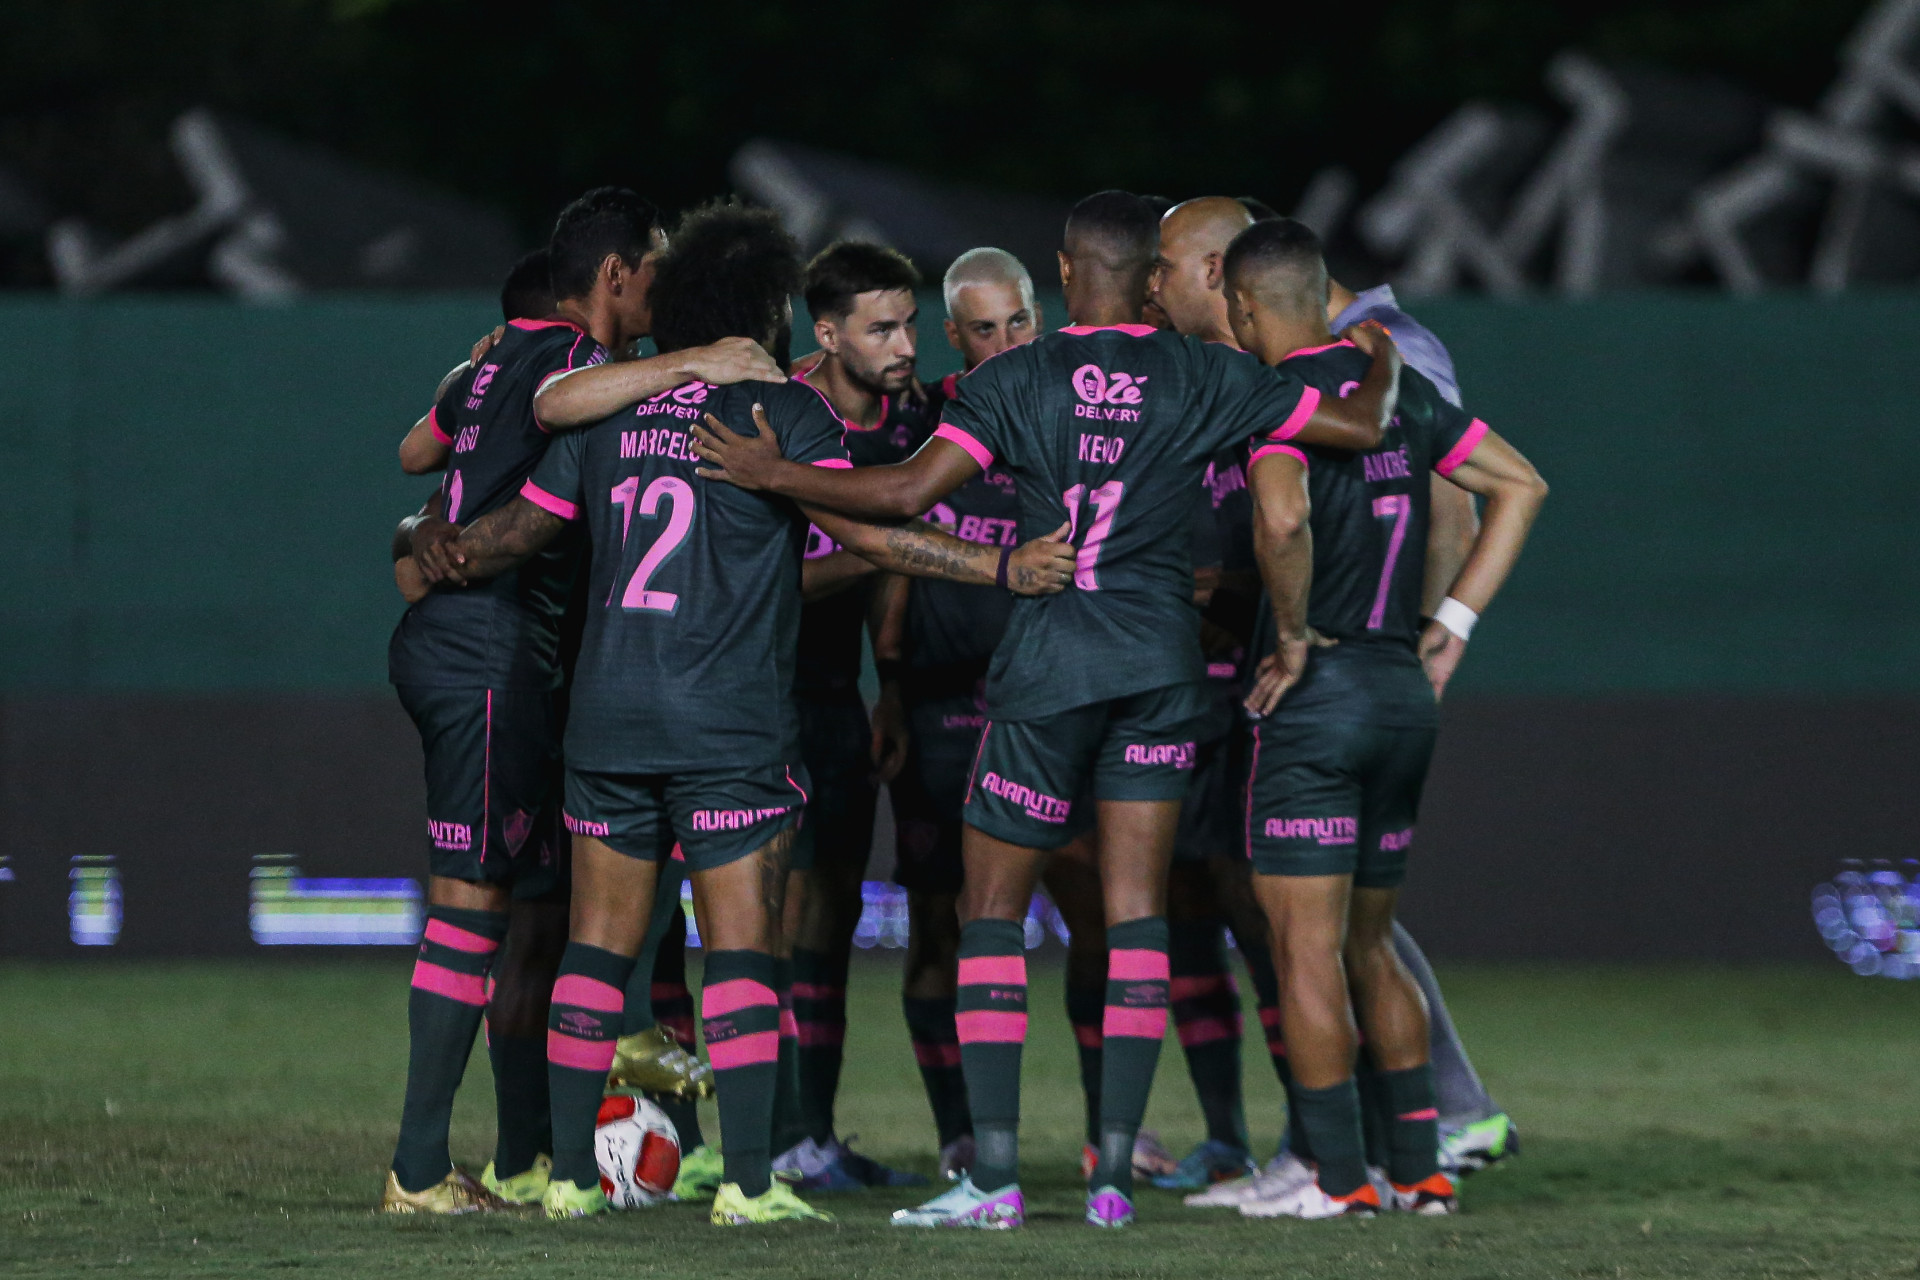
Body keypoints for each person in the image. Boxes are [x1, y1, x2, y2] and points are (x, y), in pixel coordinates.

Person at [687, 188, 1402, 1229]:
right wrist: (1373, 352)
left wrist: (771, 470)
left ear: (1065, 275)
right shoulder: (1212, 371)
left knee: (988, 913)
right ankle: (1112, 1176)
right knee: (1136, 912)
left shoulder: (1014, 378)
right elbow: (1356, 422)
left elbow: (897, 498)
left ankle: (994, 1175)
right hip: (1160, 671)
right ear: (1154, 282)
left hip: (1046, 672)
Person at [426, 200, 1076, 1225]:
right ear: (769, 309)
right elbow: (881, 534)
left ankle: (561, 1181)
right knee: (741, 950)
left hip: (606, 718)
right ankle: (749, 1182)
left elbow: (511, 532)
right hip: (724, 720)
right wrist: (1001, 564)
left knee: (596, 945)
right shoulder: (779, 416)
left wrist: (433, 541)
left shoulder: (604, 419)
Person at [1224, 218, 1546, 1218]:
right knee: (1370, 945)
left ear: (1241, 309)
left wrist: (1286, 634)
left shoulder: (1273, 396)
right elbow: (1519, 485)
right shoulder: (1395, 382)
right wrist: (1449, 622)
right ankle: (1421, 1170)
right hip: (1403, 690)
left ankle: (1337, 1175)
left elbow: (1280, 517)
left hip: (1318, 693)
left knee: (1304, 952)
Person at [876, 245, 1114, 1182]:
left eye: (1020, 323)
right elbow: (895, 553)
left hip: (1057, 703)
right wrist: (889, 687)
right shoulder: (929, 422)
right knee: (946, 928)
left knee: (1092, 916)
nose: (1008, 341)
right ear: (953, 337)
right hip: (944, 713)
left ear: (1040, 318)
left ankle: (1111, 1130)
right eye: (986, 329)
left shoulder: (1078, 409)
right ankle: (961, 1136)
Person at [776, 242, 926, 1191]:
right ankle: (768, 1136)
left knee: (828, 924)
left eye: (910, 322)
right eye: (883, 328)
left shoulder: (912, 427)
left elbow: (889, 586)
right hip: (764, 705)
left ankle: (813, 1137)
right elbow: (770, 585)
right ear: (827, 335)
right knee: (780, 927)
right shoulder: (782, 420)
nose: (906, 343)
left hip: (838, 704)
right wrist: (889, 548)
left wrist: (894, 685)